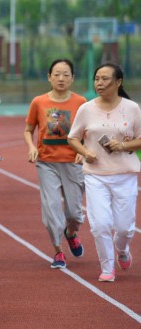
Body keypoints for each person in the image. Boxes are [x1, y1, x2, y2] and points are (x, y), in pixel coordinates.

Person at [68, 63, 141, 282]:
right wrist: (85, 152)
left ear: (118, 82)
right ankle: (107, 267)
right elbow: (73, 137)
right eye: (96, 78)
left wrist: (123, 146)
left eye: (105, 79)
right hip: (95, 175)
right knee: (100, 224)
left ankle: (123, 250)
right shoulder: (86, 108)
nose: (99, 83)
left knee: (124, 228)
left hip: (125, 175)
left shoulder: (132, 108)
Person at [24, 59, 87, 269]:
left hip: (73, 162)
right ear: (49, 77)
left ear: (72, 78)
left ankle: (71, 233)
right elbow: (28, 129)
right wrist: (32, 147)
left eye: (66, 74)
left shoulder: (81, 102)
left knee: (74, 213)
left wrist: (83, 152)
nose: (61, 78)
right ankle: (58, 250)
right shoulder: (39, 102)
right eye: (57, 74)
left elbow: (87, 132)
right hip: (46, 162)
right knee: (51, 210)